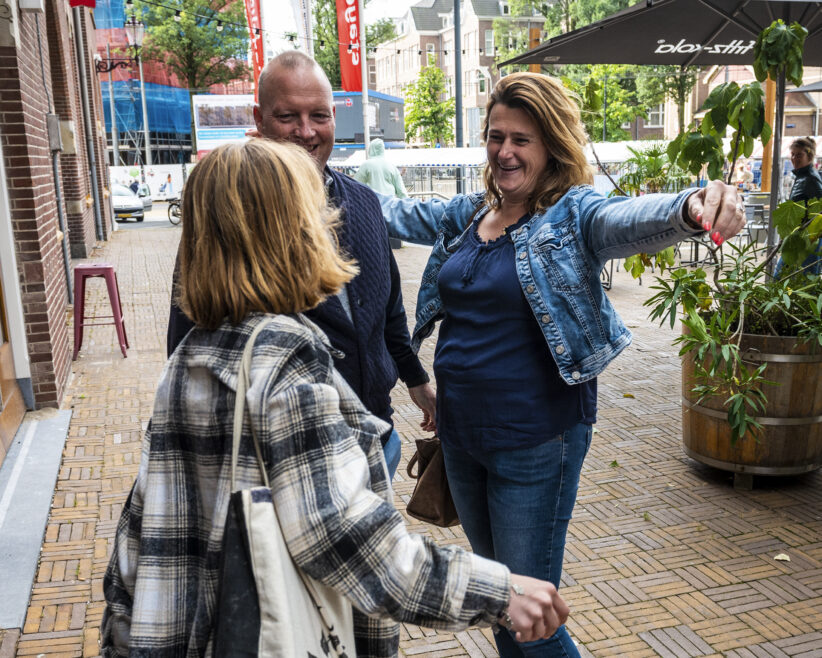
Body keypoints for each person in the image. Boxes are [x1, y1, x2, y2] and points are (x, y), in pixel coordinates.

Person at [101, 139, 570, 656]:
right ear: (289, 231)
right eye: (315, 210)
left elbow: (140, 527)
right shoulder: (283, 360)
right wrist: (500, 591)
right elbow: (344, 539)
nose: (328, 223)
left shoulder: (194, 350)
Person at [378, 72, 745, 657]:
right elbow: (392, 212)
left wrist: (691, 205)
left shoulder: (571, 214)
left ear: (550, 145)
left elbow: (625, 219)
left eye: (521, 139)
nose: (505, 151)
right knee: (500, 600)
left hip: (535, 441)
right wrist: (311, 173)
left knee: (531, 617)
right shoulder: (468, 214)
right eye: (497, 136)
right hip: (462, 438)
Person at [166, 52, 436, 479]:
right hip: (286, 460)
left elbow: (387, 311)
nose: (306, 132)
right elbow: (189, 338)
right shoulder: (230, 215)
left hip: (375, 437)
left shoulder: (364, 203)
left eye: (319, 116)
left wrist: (416, 380)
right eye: (288, 116)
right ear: (259, 117)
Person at [777, 136, 822, 276]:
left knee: (794, 278)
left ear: (809, 156)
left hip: (807, 239)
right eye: (793, 154)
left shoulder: (810, 179)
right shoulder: (803, 176)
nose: (795, 158)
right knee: (785, 277)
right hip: (798, 237)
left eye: (799, 155)